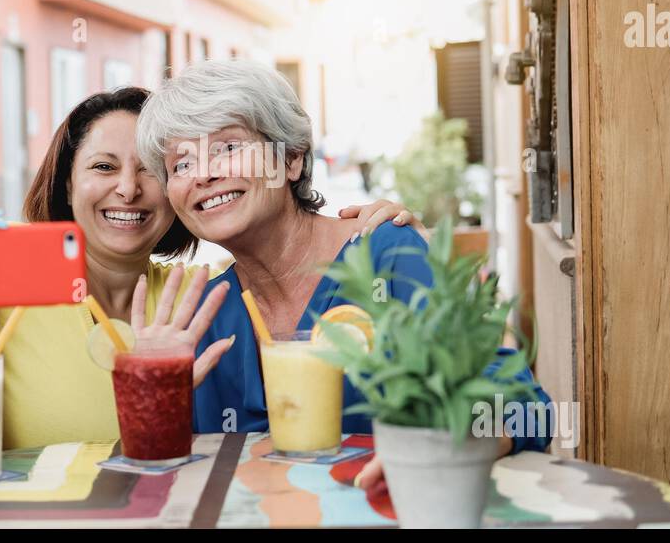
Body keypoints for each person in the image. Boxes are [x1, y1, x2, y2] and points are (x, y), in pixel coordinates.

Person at [0, 88, 421, 448]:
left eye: (157, 170)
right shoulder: (8, 271)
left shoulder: (197, 296)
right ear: (66, 185)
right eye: (102, 167)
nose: (129, 189)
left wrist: (364, 223)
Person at [136, 59, 552, 457]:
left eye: (227, 147)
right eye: (182, 163)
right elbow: (168, 469)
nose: (203, 174)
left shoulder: (388, 256)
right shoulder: (202, 315)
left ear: (293, 159)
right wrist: (154, 398)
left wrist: (442, 449)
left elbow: (525, 410)